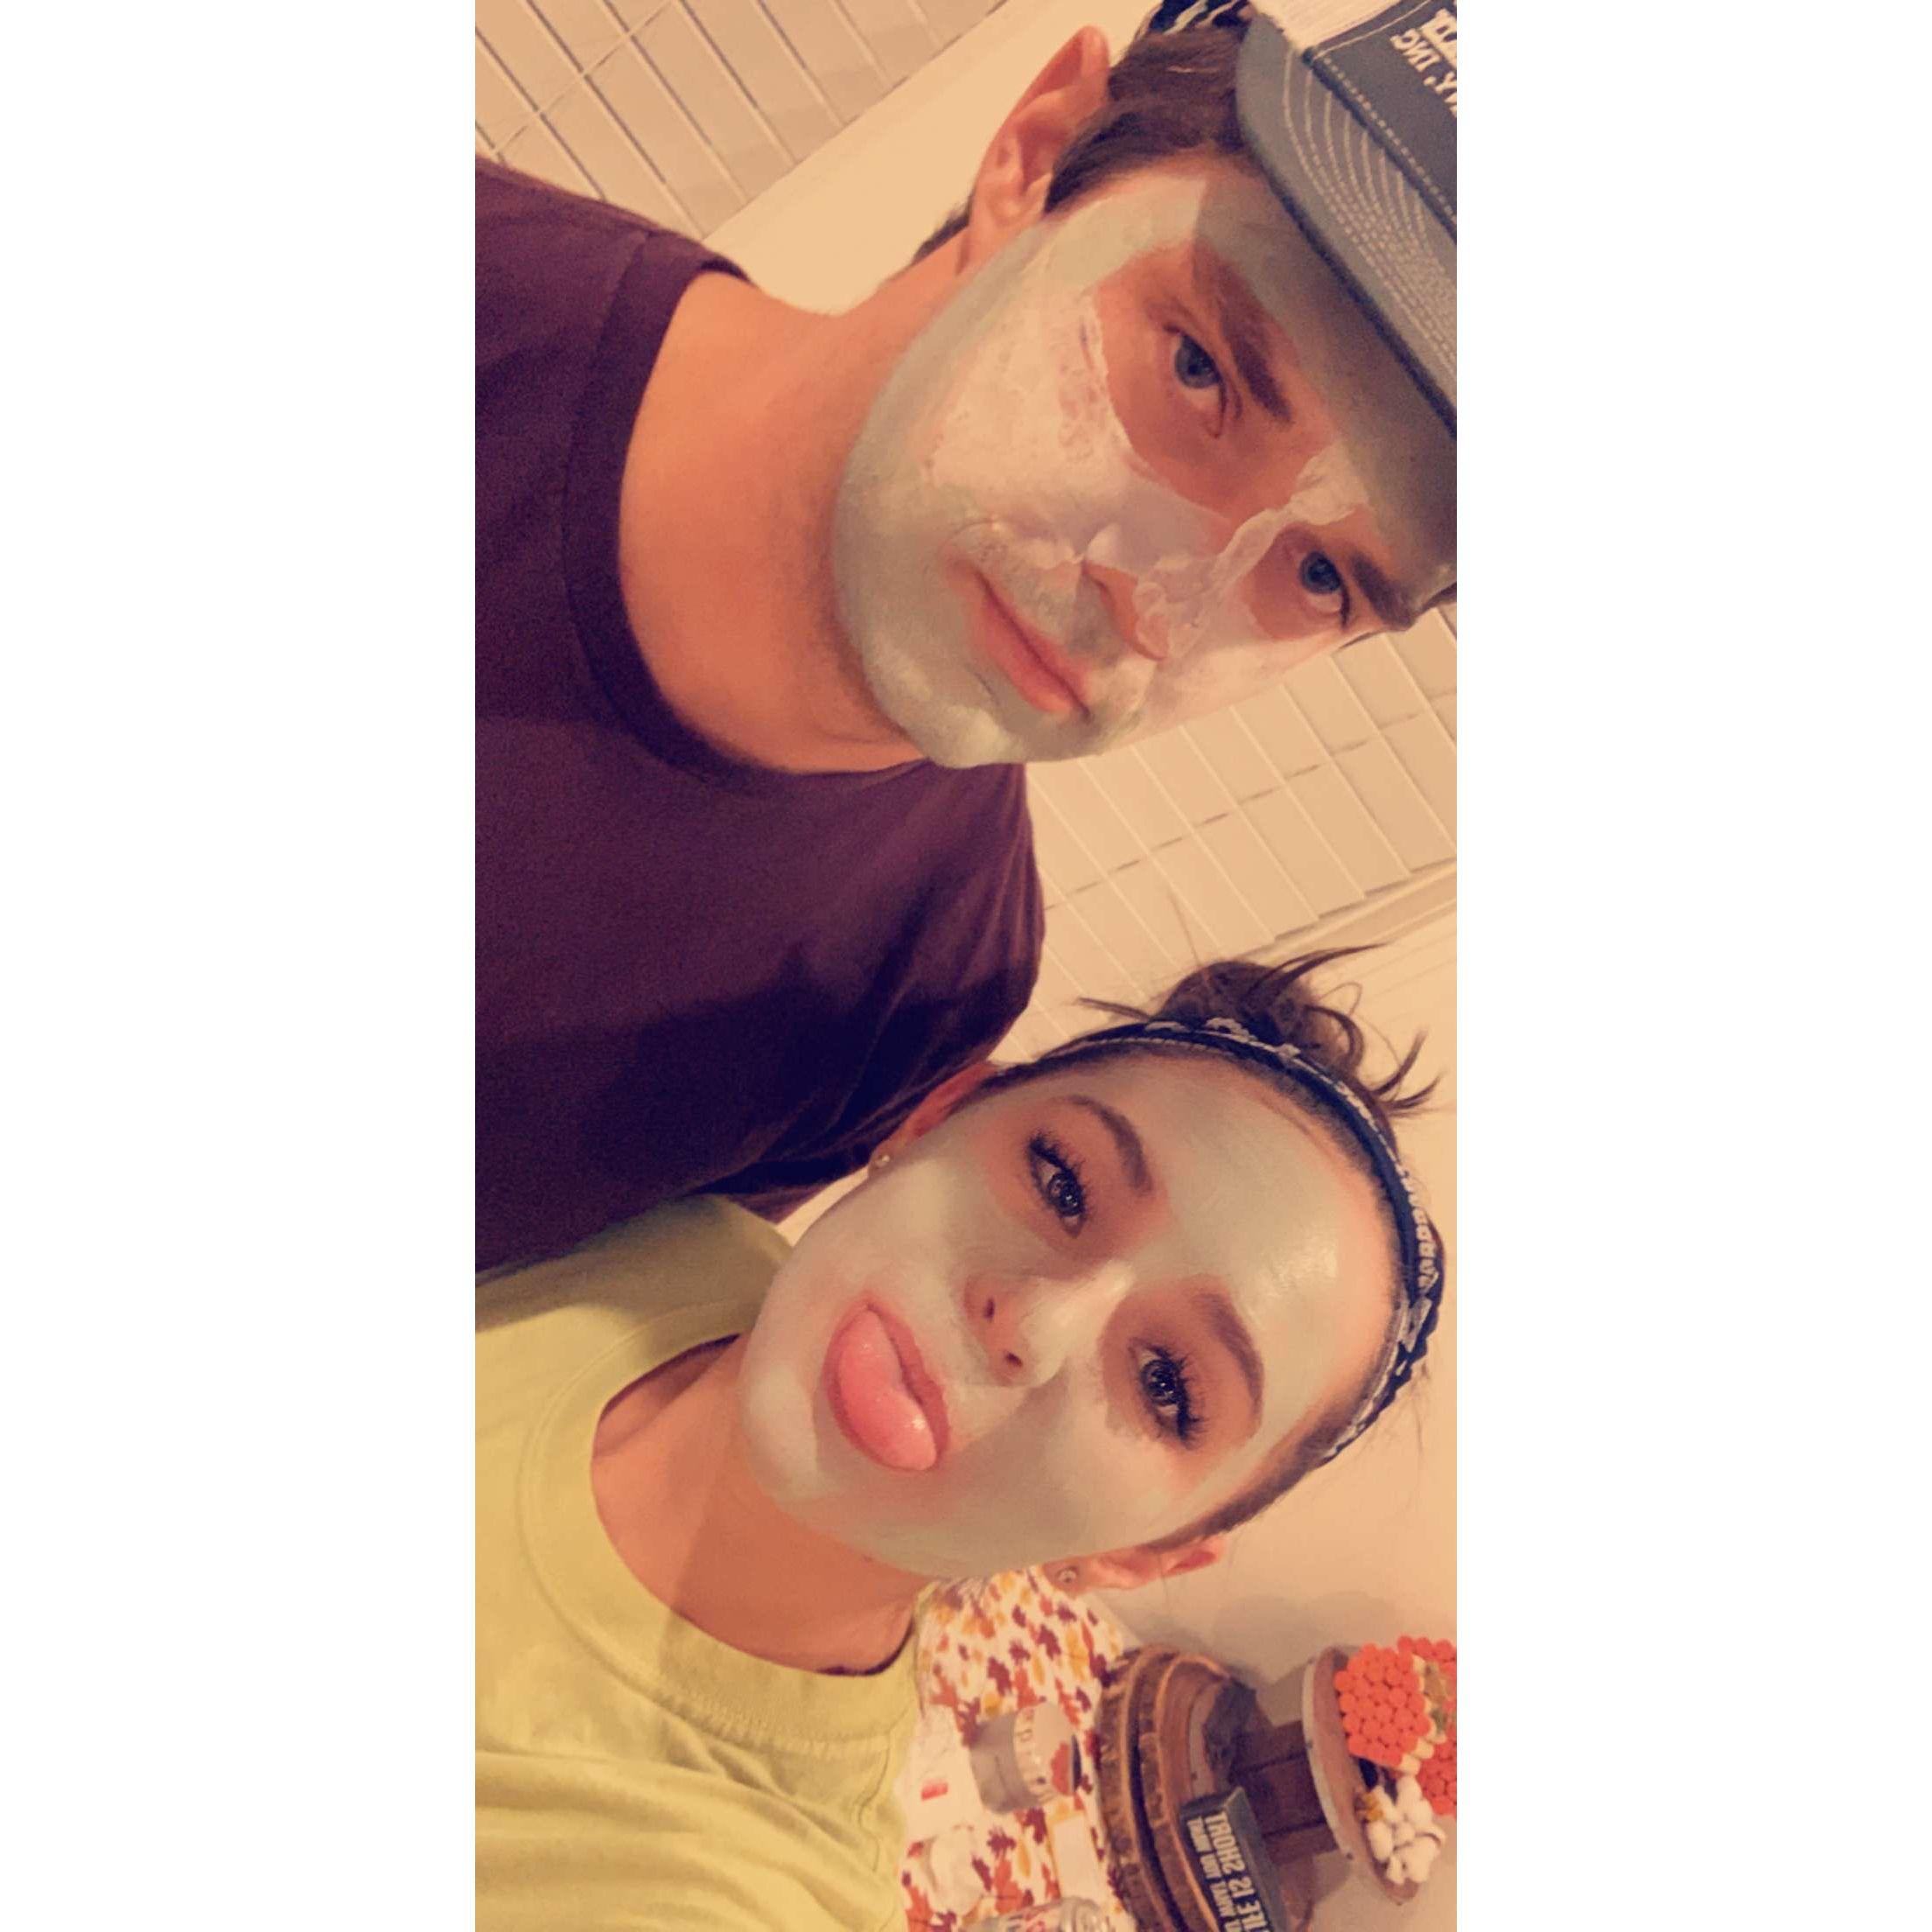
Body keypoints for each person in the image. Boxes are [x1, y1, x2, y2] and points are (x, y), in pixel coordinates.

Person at [476, 1, 1457, 1270]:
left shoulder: (918, 992)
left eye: (1321, 576)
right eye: (1199, 371)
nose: (1152, 606)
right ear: (1036, 153)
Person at [477, 950, 1444, 1929]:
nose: (1031, 1321)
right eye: (1063, 1184)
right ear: (933, 1120)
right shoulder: (648, 1216)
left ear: (1141, 1554)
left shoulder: (736, 1891)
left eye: (1167, 1385)